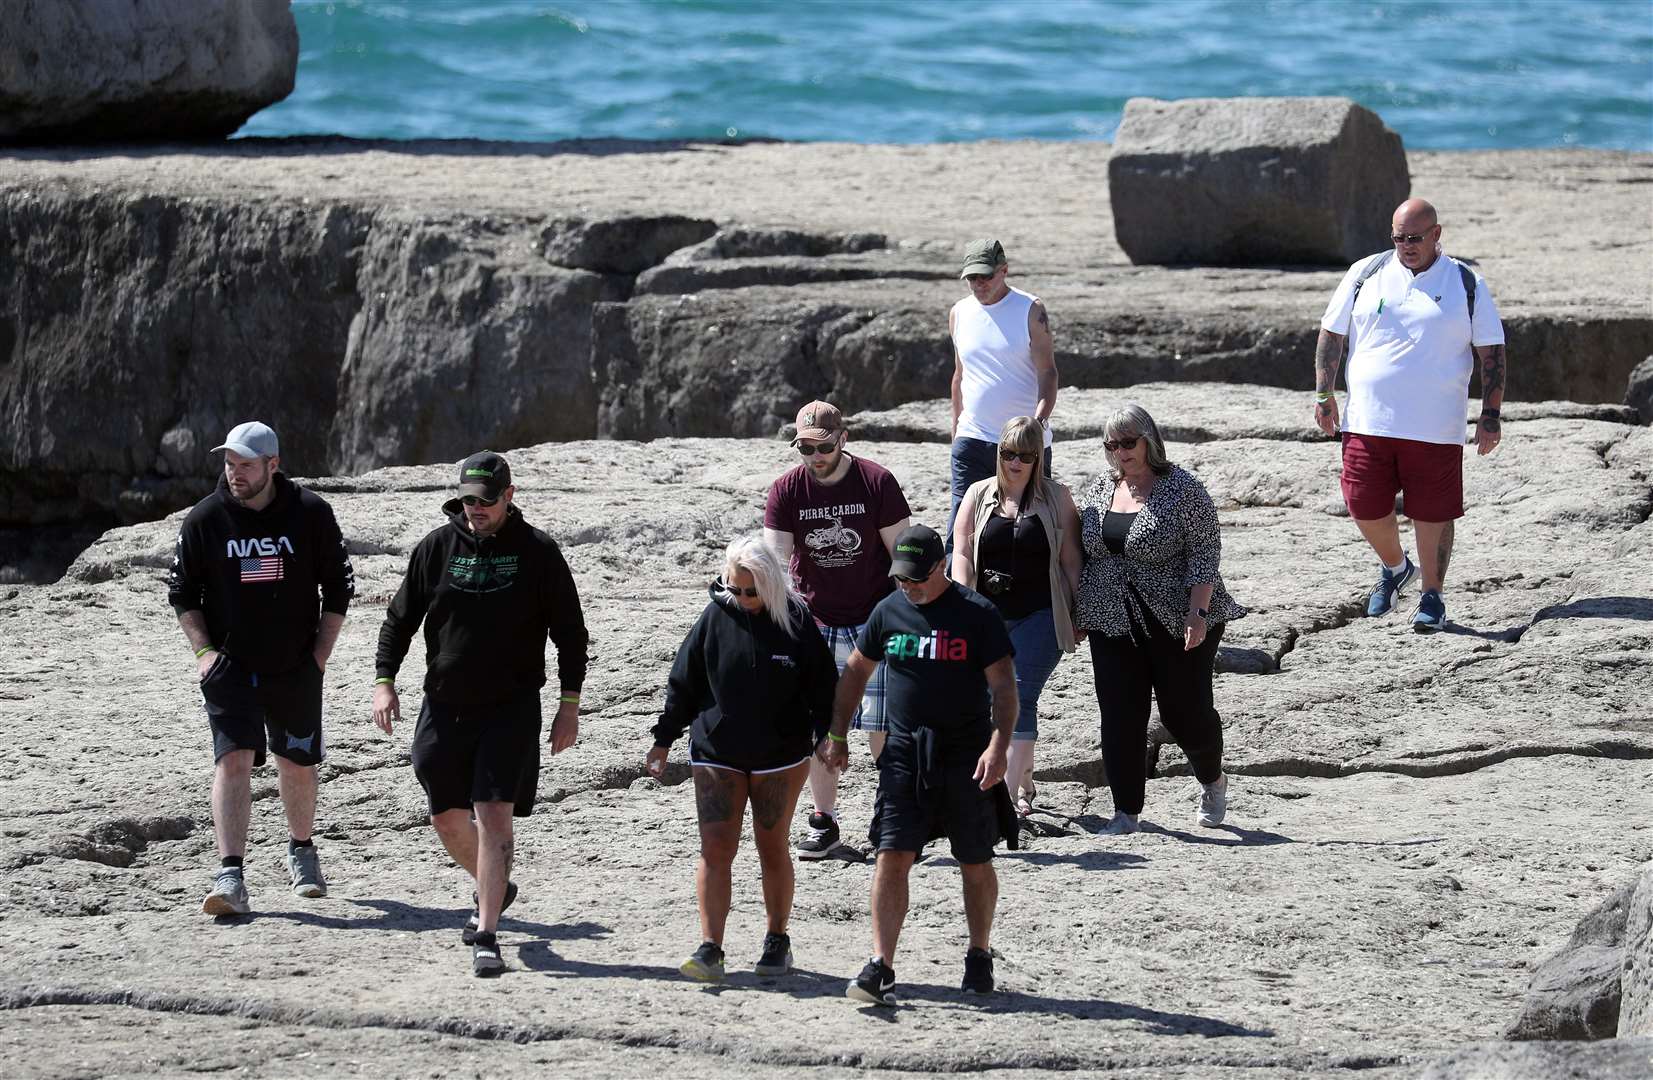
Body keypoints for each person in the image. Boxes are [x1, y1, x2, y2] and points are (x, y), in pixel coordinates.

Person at [371, 451, 590, 978]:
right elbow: (399, 619)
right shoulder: (437, 547)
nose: (475, 510)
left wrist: (569, 705)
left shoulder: (538, 552)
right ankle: (497, 882)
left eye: (485, 501)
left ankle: (487, 931)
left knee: (494, 815)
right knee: (445, 815)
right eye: (468, 501)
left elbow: (571, 634)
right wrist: (384, 682)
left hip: (510, 708)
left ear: (508, 497)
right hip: (444, 705)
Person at [820, 525, 1020, 1005]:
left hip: (966, 756)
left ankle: (978, 953)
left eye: (915, 577)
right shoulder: (888, 612)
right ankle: (881, 965)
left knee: (974, 859)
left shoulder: (977, 614)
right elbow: (855, 673)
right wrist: (837, 732)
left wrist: (999, 747)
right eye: (901, 578)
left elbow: (1005, 688)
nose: (907, 586)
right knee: (892, 855)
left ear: (940, 566)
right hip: (904, 756)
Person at [167, 421, 355, 916]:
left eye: (246, 465)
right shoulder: (205, 519)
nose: (235, 474)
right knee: (231, 761)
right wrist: (205, 654)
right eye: (229, 464)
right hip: (230, 668)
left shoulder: (311, 513)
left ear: (273, 465)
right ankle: (230, 874)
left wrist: (318, 658)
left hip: (294, 666)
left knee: (296, 762)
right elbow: (182, 593)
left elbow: (338, 590)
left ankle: (302, 851)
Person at [647, 536, 838, 982]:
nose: (743, 599)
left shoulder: (794, 621)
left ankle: (776, 939)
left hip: (780, 755)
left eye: (751, 591)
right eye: (735, 589)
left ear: (770, 586)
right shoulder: (715, 617)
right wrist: (663, 739)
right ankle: (711, 946)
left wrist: (831, 736)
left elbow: (823, 686)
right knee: (715, 849)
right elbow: (684, 681)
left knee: (771, 847)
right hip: (718, 752)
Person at [1313, 197, 1508, 633]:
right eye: (1398, 238)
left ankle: (1433, 596)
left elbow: (1491, 352)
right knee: (1361, 503)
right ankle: (1396, 566)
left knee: (1433, 513)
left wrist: (1490, 415)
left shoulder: (1465, 282)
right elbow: (1332, 334)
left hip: (1436, 425)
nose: (1405, 246)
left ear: (1437, 234)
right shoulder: (1365, 272)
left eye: (1414, 238)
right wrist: (1324, 393)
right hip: (1367, 419)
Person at [1075, 405, 1245, 835]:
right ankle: (1126, 813)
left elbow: (1205, 553)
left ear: (1149, 440)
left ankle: (1212, 778)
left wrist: (1198, 613)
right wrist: (1079, 611)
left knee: (1181, 711)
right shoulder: (1099, 490)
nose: (1120, 452)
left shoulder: (1183, 489)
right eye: (1111, 445)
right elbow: (1084, 553)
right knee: (1119, 714)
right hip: (1112, 618)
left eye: (1128, 443)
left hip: (1177, 616)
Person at [763, 400, 911, 860]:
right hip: (815, 622)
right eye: (804, 447)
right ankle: (824, 822)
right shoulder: (786, 490)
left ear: (842, 440)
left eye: (822, 447)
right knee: (820, 728)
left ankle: (895, 818)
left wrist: (903, 615)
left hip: (873, 618)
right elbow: (774, 564)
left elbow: (904, 554)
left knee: (882, 725)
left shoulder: (876, 482)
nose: (814, 456)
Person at [950, 416, 1082, 818]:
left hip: (1042, 613)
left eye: (1026, 455)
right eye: (1009, 454)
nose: (1016, 463)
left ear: (1038, 458)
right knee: (994, 698)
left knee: (1020, 694)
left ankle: (1007, 795)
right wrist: (963, 604)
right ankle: (1023, 780)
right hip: (989, 615)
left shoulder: (1057, 498)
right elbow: (960, 552)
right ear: (998, 453)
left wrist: (1081, 612)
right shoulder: (977, 494)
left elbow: (1072, 560)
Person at [946, 238, 1058, 553]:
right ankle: (958, 596)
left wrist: (1038, 423)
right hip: (973, 438)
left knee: (1029, 527)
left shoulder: (1030, 310)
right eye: (972, 278)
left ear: (1004, 270)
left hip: (1024, 443)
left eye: (986, 276)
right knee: (961, 528)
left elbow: (1048, 372)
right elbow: (960, 375)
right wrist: (956, 432)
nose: (979, 284)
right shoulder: (959, 312)